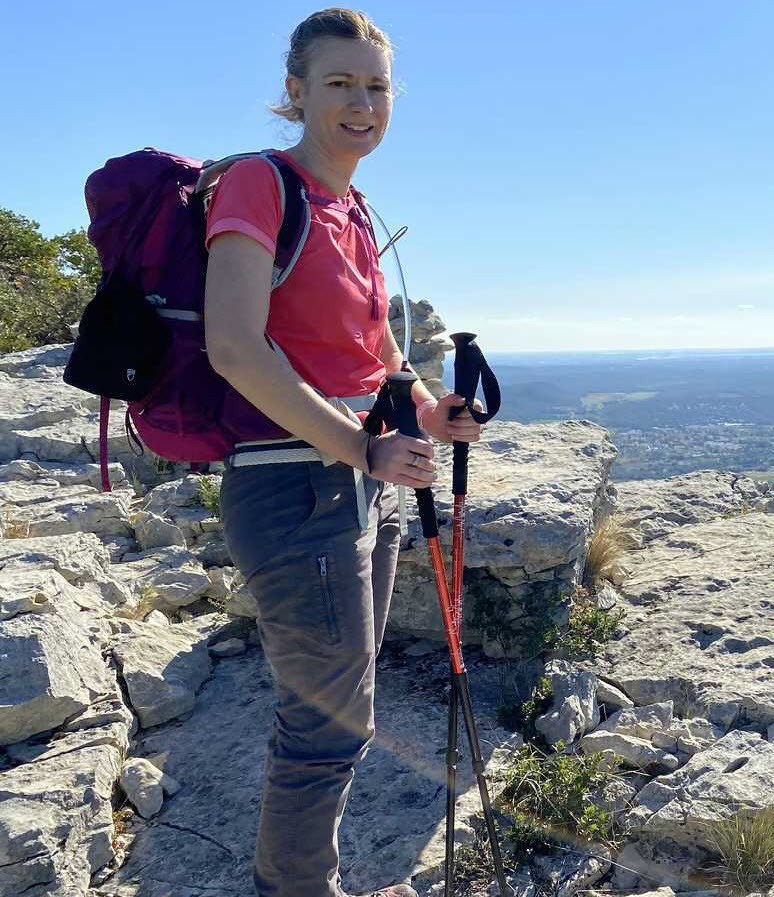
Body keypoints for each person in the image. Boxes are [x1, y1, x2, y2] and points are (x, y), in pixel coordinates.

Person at [203, 9, 481, 897]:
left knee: (344, 708)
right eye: (339, 83)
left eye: (376, 86)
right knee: (328, 723)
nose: (362, 103)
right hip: (294, 488)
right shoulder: (259, 184)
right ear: (294, 93)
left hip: (358, 487)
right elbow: (236, 348)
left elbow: (375, 357)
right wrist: (364, 447)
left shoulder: (352, 208)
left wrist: (432, 412)